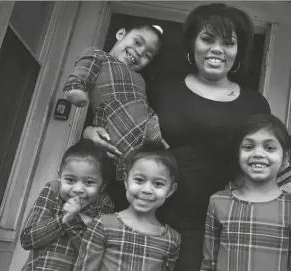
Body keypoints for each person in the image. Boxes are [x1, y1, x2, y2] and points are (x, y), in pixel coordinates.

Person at [82, 3, 271, 270]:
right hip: (140, 210)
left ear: (238, 51)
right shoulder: (161, 87)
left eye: (228, 42)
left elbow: (260, 164)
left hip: (202, 225)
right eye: (207, 39)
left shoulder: (255, 105)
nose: (217, 49)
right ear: (193, 44)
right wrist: (89, 131)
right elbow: (118, 113)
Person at [201, 114, 291, 271]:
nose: (258, 154)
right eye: (248, 147)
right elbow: (209, 262)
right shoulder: (218, 201)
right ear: (238, 153)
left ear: (285, 157)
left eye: (269, 148)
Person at [63, 24, 168, 181]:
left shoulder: (140, 79)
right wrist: (76, 89)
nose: (139, 52)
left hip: (146, 126)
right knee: (122, 161)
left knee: (153, 158)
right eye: (138, 42)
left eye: (147, 55)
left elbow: (144, 104)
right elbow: (83, 70)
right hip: (112, 123)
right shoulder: (98, 55)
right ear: (120, 34)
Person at [74, 141, 181, 271]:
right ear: (126, 180)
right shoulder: (103, 225)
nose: (147, 189)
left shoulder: (171, 239)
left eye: (158, 184)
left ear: (170, 190)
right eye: (139, 180)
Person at [20, 139, 115, 271]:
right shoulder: (53, 190)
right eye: (70, 180)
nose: (78, 189)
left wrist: (73, 218)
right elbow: (27, 239)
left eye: (88, 182)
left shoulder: (103, 202)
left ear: (103, 185)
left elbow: (93, 253)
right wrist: (63, 219)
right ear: (60, 177)